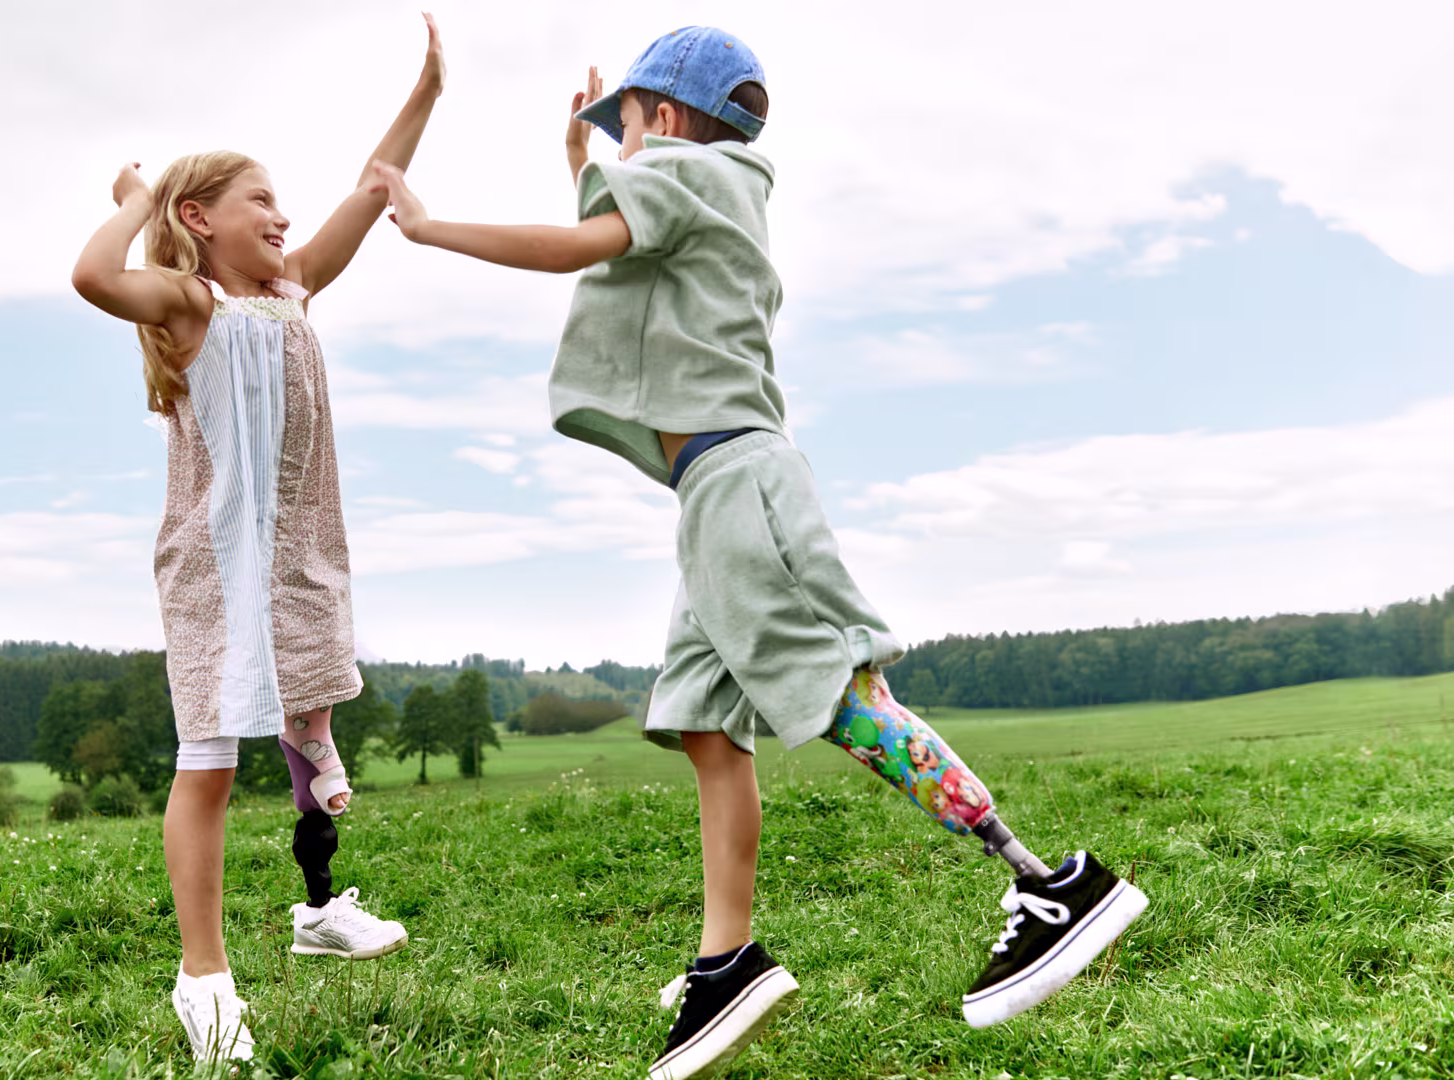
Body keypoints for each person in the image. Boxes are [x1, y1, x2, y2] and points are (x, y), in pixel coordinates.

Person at [368, 26, 1147, 1080]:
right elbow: (623, 233)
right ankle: (726, 961)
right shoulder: (708, 184)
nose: (622, 152)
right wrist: (587, 166)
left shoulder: (695, 174)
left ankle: (1053, 884)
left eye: (629, 126)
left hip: (739, 485)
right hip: (714, 495)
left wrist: (429, 226)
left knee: (832, 691)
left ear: (673, 122)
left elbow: (585, 246)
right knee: (701, 721)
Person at [69, 14, 446, 1067]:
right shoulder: (192, 303)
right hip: (218, 567)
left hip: (304, 555)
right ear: (201, 218)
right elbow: (94, 277)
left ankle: (320, 909)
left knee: (313, 715)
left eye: (283, 200)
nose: (284, 216)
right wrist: (136, 198)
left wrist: (426, 94)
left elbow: (374, 188)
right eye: (262, 199)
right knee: (211, 762)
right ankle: (205, 981)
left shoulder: (291, 291)